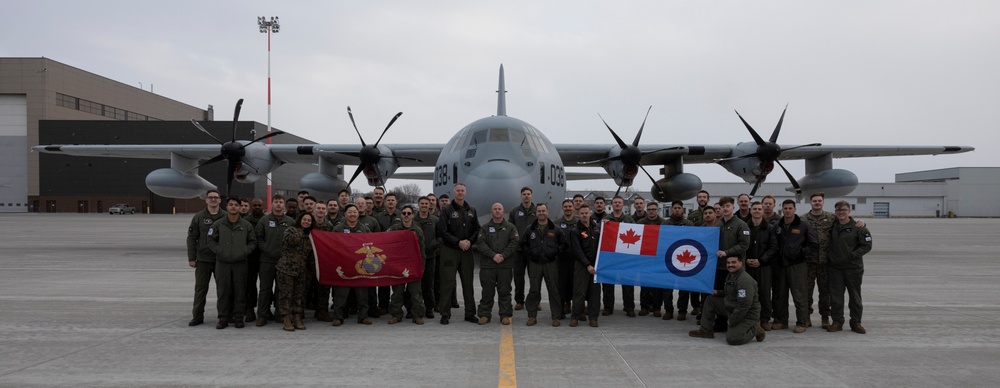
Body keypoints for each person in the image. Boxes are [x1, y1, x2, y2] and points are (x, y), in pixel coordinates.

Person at [688, 256, 766, 345]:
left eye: (733, 262)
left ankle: (755, 329)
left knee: (733, 339)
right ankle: (706, 331)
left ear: (741, 263)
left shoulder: (744, 281)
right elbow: (730, 292)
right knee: (710, 300)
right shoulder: (731, 275)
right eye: (728, 263)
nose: (730, 265)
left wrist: (732, 320)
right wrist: (718, 293)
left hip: (746, 314)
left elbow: (744, 305)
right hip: (732, 307)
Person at [208, 197, 257, 329]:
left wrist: (244, 251)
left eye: (236, 205)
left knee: (240, 291)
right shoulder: (218, 224)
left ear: (240, 207)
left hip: (240, 263)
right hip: (222, 263)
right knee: (223, 291)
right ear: (227, 207)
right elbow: (211, 240)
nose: (233, 207)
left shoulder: (246, 226)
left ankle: (239, 317)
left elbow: (253, 242)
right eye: (231, 205)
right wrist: (219, 251)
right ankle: (223, 318)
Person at [436, 183, 480, 324]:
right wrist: (458, 242)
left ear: (466, 193)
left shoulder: (471, 210)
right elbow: (443, 231)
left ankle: (470, 313)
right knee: (447, 283)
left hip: (466, 251)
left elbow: (477, 229)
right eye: (458, 191)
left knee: (468, 284)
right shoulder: (446, 210)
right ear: (453, 193)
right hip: (450, 250)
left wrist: (469, 242)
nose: (460, 193)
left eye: (462, 191)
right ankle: (445, 314)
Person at [826, 201, 872, 334]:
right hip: (835, 268)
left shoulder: (859, 227)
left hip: (853, 268)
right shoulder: (832, 226)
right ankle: (837, 322)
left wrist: (852, 255)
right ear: (835, 212)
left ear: (849, 211)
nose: (841, 212)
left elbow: (867, 245)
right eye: (838, 210)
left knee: (855, 296)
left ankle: (856, 322)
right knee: (835, 297)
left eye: (844, 210)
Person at [773, 199, 818, 333]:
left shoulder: (803, 226)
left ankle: (801, 322)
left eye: (790, 208)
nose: (787, 211)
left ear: (794, 209)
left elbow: (814, 244)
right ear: (782, 209)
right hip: (781, 265)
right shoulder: (777, 226)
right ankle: (782, 321)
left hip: (797, 265)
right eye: (785, 208)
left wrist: (801, 253)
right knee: (781, 295)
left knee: (799, 295)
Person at [520, 203, 568, 327]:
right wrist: (530, 253)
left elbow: (563, 244)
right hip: (535, 264)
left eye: (543, 211)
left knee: (553, 290)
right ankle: (532, 316)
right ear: (536, 213)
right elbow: (523, 244)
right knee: (534, 291)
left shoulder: (555, 229)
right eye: (539, 211)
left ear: (548, 212)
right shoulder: (530, 229)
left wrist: (555, 252)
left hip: (550, 263)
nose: (541, 213)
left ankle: (556, 316)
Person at [710, 196, 750, 331]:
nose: (725, 209)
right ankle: (721, 322)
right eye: (722, 207)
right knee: (720, 295)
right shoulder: (718, 224)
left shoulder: (741, 225)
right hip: (719, 267)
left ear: (733, 207)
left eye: (727, 206)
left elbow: (744, 245)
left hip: (735, 268)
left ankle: (736, 321)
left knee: (734, 296)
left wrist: (727, 252)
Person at [185, 190, 225, 327]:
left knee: (223, 290)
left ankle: (223, 316)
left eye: (216, 197)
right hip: (203, 259)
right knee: (200, 289)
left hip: (221, 260)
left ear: (220, 200)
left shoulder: (226, 216)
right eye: (211, 197)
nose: (213, 200)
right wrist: (192, 257)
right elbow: (192, 238)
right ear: (206, 200)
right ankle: (197, 316)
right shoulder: (199, 217)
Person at [475, 203, 519, 325]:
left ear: (503, 211)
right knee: (487, 291)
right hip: (488, 265)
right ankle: (484, 314)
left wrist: (503, 255)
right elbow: (481, 243)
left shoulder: (511, 227)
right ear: (491, 211)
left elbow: (514, 242)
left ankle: (505, 315)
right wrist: (493, 255)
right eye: (495, 209)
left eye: (499, 209)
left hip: (505, 265)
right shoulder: (484, 228)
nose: (497, 211)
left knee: (504, 291)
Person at [330, 204, 373, 326]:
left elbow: (371, 243)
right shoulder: (338, 229)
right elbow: (333, 245)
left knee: (362, 293)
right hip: (343, 264)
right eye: (350, 212)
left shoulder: (364, 229)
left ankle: (363, 316)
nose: (353, 214)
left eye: (355, 212)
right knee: (341, 293)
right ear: (345, 214)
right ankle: (338, 317)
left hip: (361, 265)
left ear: (358, 214)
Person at [253, 195, 294, 327]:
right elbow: (259, 238)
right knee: (265, 288)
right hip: (266, 260)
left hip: (284, 261)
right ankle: (262, 315)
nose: (278, 204)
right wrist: (267, 249)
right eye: (276, 202)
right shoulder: (264, 220)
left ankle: (280, 314)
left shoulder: (290, 221)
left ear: (284, 205)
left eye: (280, 202)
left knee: (281, 289)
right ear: (272, 204)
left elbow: (294, 240)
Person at [386, 205, 427, 324]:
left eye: (409, 213)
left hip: (414, 265)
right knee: (397, 292)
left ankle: (417, 315)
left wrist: (422, 267)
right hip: (398, 265)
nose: (406, 215)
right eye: (404, 213)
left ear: (413, 215)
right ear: (401, 215)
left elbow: (422, 249)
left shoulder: (418, 230)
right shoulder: (394, 229)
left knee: (415, 293)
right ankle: (396, 314)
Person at [275, 213, 314, 331]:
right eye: (304, 219)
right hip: (286, 269)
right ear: (299, 220)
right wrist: (302, 232)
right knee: (285, 295)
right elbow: (291, 241)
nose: (306, 222)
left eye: (309, 220)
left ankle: (297, 317)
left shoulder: (311, 236)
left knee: (299, 295)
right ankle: (286, 318)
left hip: (301, 271)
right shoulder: (291, 230)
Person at [568, 204, 602, 327]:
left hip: (596, 266)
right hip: (582, 265)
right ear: (578, 214)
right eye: (582, 213)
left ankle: (593, 318)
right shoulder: (575, 230)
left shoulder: (597, 227)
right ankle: (575, 317)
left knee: (595, 293)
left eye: (586, 213)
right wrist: (587, 265)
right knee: (579, 292)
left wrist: (607, 224)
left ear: (590, 213)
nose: (584, 215)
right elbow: (577, 250)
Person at [746, 201, 778, 330]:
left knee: (764, 293)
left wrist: (761, 260)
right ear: (751, 211)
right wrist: (747, 260)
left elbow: (773, 247)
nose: (757, 211)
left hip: (764, 266)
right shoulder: (744, 227)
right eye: (755, 209)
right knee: (750, 292)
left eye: (759, 209)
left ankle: (764, 319)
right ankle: (751, 319)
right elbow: (741, 245)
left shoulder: (770, 229)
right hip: (748, 266)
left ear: (763, 211)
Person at [602, 195, 635, 317]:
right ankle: (608, 306)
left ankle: (629, 307)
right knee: (608, 284)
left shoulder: (629, 220)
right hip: (610, 256)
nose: (617, 204)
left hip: (625, 257)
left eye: (619, 202)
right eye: (615, 202)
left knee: (627, 283)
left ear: (623, 204)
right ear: (612, 204)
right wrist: (603, 225)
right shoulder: (606, 219)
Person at [663, 200, 694, 321]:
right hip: (669, 259)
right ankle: (668, 310)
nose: (677, 210)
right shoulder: (665, 224)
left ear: (682, 209)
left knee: (684, 287)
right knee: (667, 287)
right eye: (675, 208)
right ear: (671, 209)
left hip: (684, 260)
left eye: (679, 208)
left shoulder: (689, 224)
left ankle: (682, 311)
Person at [508, 187, 537, 311]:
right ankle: (519, 301)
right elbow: (510, 229)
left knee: (534, 277)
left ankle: (535, 301)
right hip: (519, 250)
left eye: (528, 194)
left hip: (533, 250)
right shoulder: (514, 212)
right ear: (521, 196)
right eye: (524, 194)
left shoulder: (537, 211)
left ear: (532, 196)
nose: (526, 196)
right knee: (518, 277)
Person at [637, 201, 667, 318]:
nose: (651, 211)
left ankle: (656, 307)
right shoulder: (640, 223)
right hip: (645, 256)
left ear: (657, 210)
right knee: (644, 284)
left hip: (659, 256)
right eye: (649, 209)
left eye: (653, 209)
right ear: (646, 210)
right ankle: (644, 306)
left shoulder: (664, 223)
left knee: (657, 285)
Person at [414, 196, 440, 319]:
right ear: (418, 204)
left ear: (429, 205)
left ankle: (429, 308)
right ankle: (414, 308)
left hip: (430, 256)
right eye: (422, 203)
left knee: (429, 283)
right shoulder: (413, 219)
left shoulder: (435, 220)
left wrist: (434, 246)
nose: (424, 205)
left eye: (426, 203)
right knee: (415, 284)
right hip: (414, 257)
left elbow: (440, 236)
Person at [309, 201, 335, 322]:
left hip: (322, 260)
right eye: (318, 208)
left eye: (322, 208)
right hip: (308, 260)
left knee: (323, 288)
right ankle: (299, 311)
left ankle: (322, 311)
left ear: (325, 211)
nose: (320, 210)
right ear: (313, 210)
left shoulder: (329, 226)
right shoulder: (307, 223)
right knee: (304, 287)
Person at [242, 198, 266, 322]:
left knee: (265, 285)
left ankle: (264, 310)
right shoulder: (245, 221)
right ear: (251, 207)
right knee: (250, 284)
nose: (257, 207)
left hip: (265, 257)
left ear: (263, 206)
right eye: (255, 205)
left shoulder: (267, 220)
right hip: (250, 257)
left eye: (259, 205)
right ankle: (250, 308)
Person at [556, 199, 579, 316]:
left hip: (577, 260)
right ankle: (563, 307)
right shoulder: (556, 224)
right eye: (565, 206)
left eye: (570, 206)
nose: (568, 208)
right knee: (562, 284)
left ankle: (577, 309)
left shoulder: (579, 222)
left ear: (574, 208)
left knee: (575, 285)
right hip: (562, 260)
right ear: (562, 208)